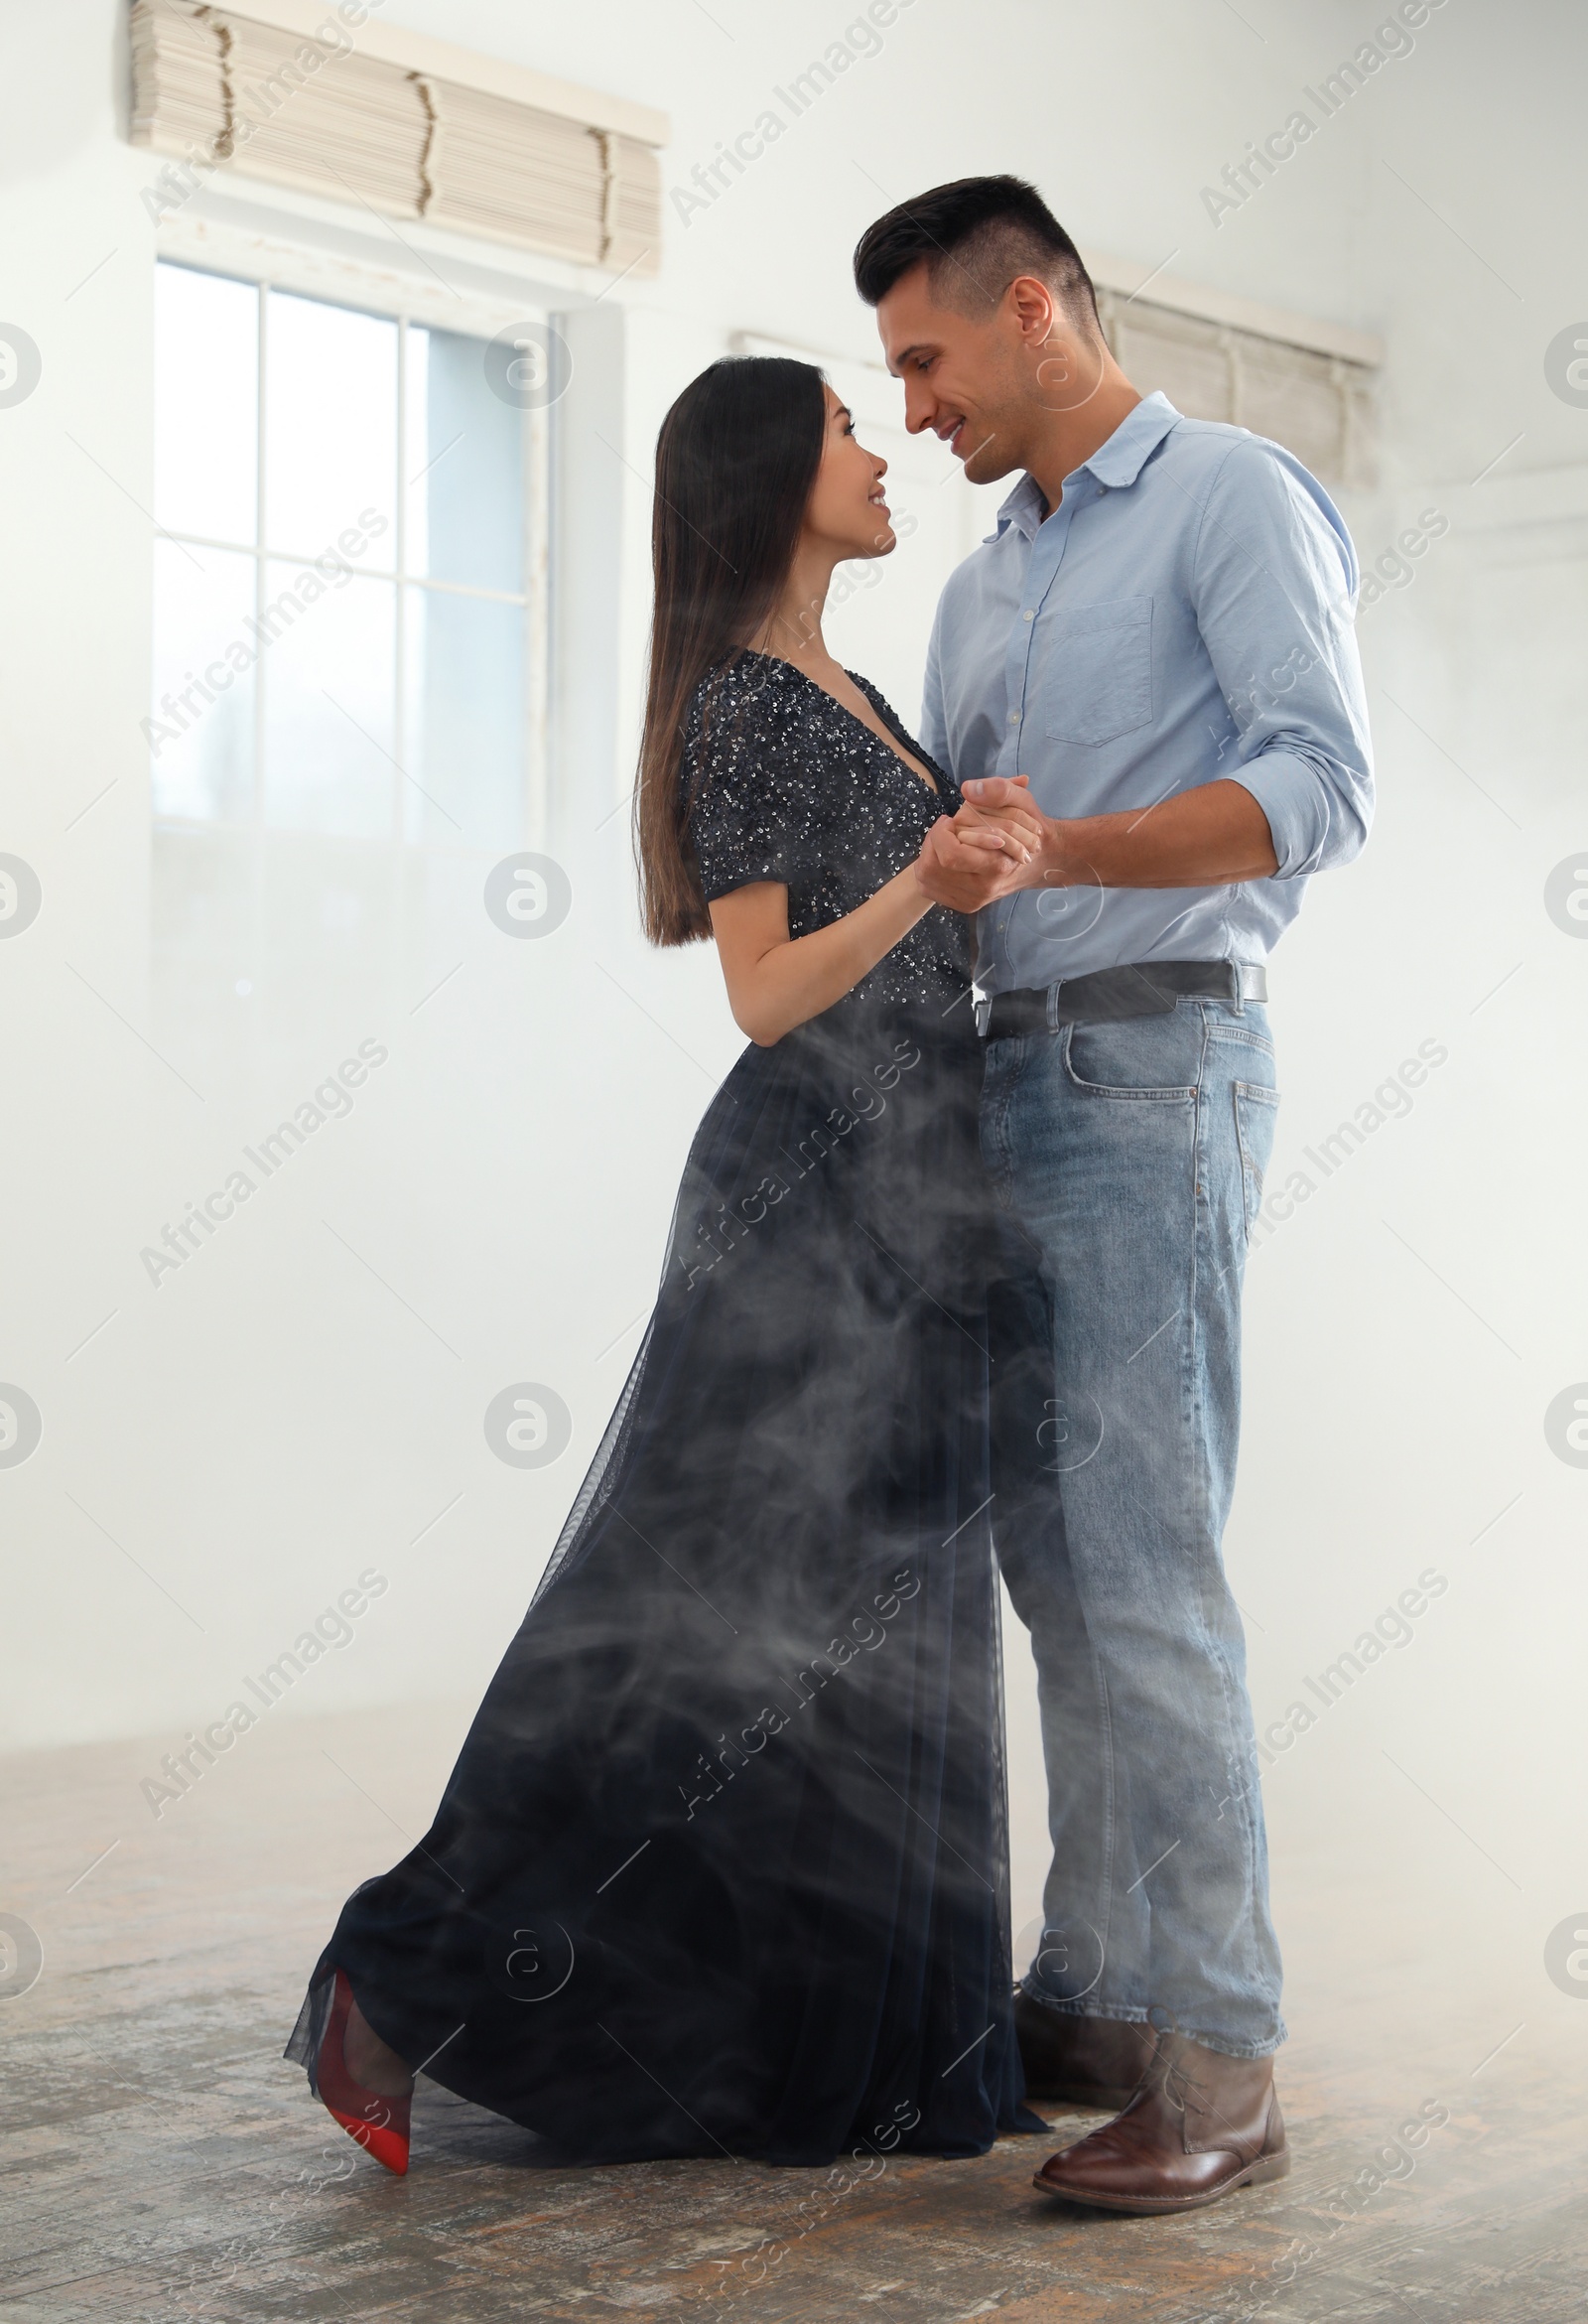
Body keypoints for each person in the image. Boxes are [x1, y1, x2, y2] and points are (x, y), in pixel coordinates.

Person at [285, 354, 1048, 2175]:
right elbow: (770, 992)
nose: (880, 455)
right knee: (685, 1622)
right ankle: (389, 1982)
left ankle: (848, 2048)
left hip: (924, 1205)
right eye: (852, 431)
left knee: (865, 1644)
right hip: (806, 1206)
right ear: (775, 471)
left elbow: (918, 940)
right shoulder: (737, 708)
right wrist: (926, 891)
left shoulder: (857, 689)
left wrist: (984, 858)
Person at [853, 176, 1374, 2215]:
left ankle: (1223, 2059)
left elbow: (1320, 783)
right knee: (1054, 1568)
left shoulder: (1233, 496)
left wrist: (1056, 852)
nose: (908, 407)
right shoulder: (984, 577)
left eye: (925, 358)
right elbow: (969, 849)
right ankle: (1090, 1997)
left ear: (1036, 311)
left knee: (1144, 1563)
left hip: (1159, 1068)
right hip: (1003, 1085)